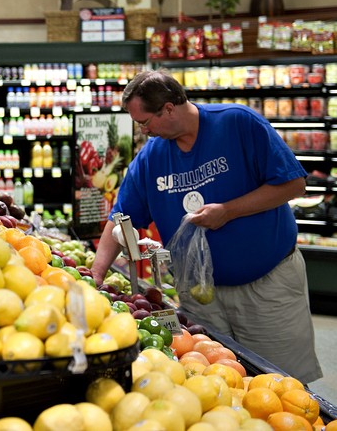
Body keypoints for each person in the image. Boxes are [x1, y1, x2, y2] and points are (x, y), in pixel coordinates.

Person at [90, 69, 322, 383]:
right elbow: (122, 219)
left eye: (145, 122)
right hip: (202, 299)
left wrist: (228, 211)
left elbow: (294, 184)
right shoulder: (150, 160)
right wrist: (96, 275)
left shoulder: (238, 123)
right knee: (216, 384)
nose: (142, 131)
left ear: (169, 108)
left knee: (283, 384)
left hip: (267, 288)